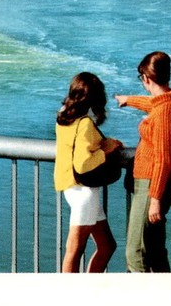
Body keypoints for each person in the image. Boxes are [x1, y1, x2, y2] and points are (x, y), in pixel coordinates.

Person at [114, 51, 171, 272]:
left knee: (135, 252)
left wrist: (154, 198)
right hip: (159, 183)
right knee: (154, 250)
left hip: (151, 184)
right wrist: (129, 100)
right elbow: (153, 103)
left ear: (146, 78)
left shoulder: (165, 112)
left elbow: (163, 159)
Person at [53, 72, 124, 272]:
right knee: (74, 251)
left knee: (107, 245)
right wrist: (106, 150)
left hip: (70, 185)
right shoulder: (84, 124)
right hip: (84, 192)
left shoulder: (64, 114)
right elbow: (83, 163)